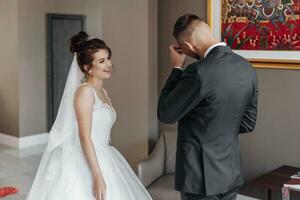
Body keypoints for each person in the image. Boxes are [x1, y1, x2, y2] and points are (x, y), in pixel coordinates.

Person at [26, 31, 152, 200]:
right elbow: (84, 137)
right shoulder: (85, 92)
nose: (109, 64)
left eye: (108, 58)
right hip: (86, 159)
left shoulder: (103, 92)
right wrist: (97, 175)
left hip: (105, 153)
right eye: (101, 61)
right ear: (88, 68)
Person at [157, 14, 258, 200]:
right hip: (229, 172)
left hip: (198, 176)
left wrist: (177, 68)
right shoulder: (247, 68)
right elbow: (248, 124)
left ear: (188, 46)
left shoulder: (198, 71)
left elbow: (166, 114)